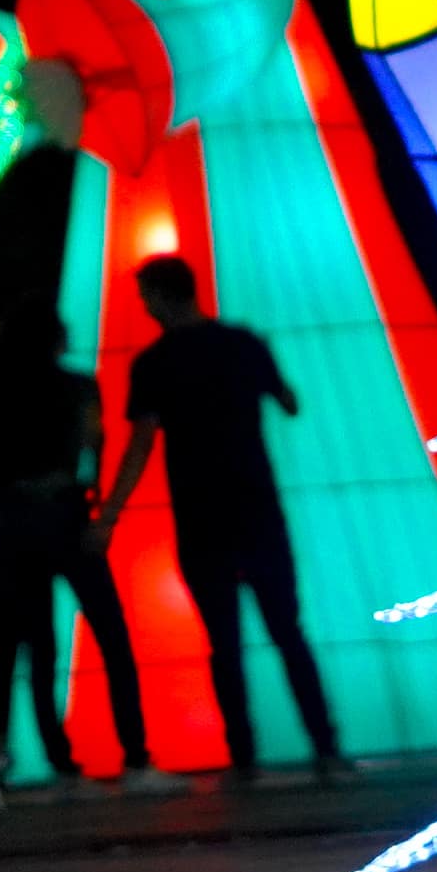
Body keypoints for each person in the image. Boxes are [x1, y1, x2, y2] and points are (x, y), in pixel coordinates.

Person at [87, 258, 347, 781]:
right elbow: (289, 402)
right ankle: (326, 748)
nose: (144, 306)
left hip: (201, 514)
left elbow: (141, 442)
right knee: (287, 632)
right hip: (257, 506)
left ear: (161, 297)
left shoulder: (154, 364)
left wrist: (111, 510)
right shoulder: (243, 343)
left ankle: (244, 757)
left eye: (145, 297)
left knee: (223, 643)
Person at [0, 304, 169, 791]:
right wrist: (99, 509)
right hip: (68, 515)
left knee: (40, 647)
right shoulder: (77, 387)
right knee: (112, 636)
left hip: (16, 520)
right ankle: (136, 756)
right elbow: (94, 445)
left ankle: (61, 763)